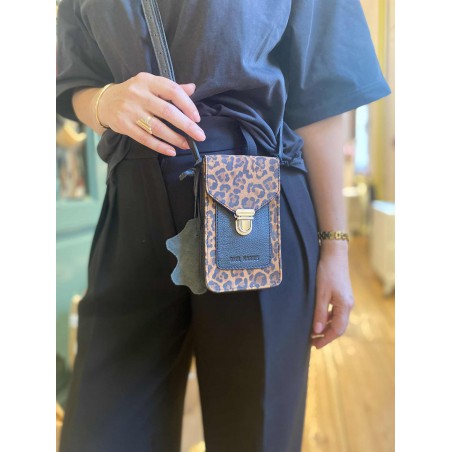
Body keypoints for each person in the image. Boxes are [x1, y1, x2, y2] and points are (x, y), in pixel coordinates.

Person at [56, 0, 390, 451]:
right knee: (100, 432)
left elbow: (322, 92)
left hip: (253, 200)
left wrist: (335, 245)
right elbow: (74, 79)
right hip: (132, 205)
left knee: (255, 432)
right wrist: (103, 101)